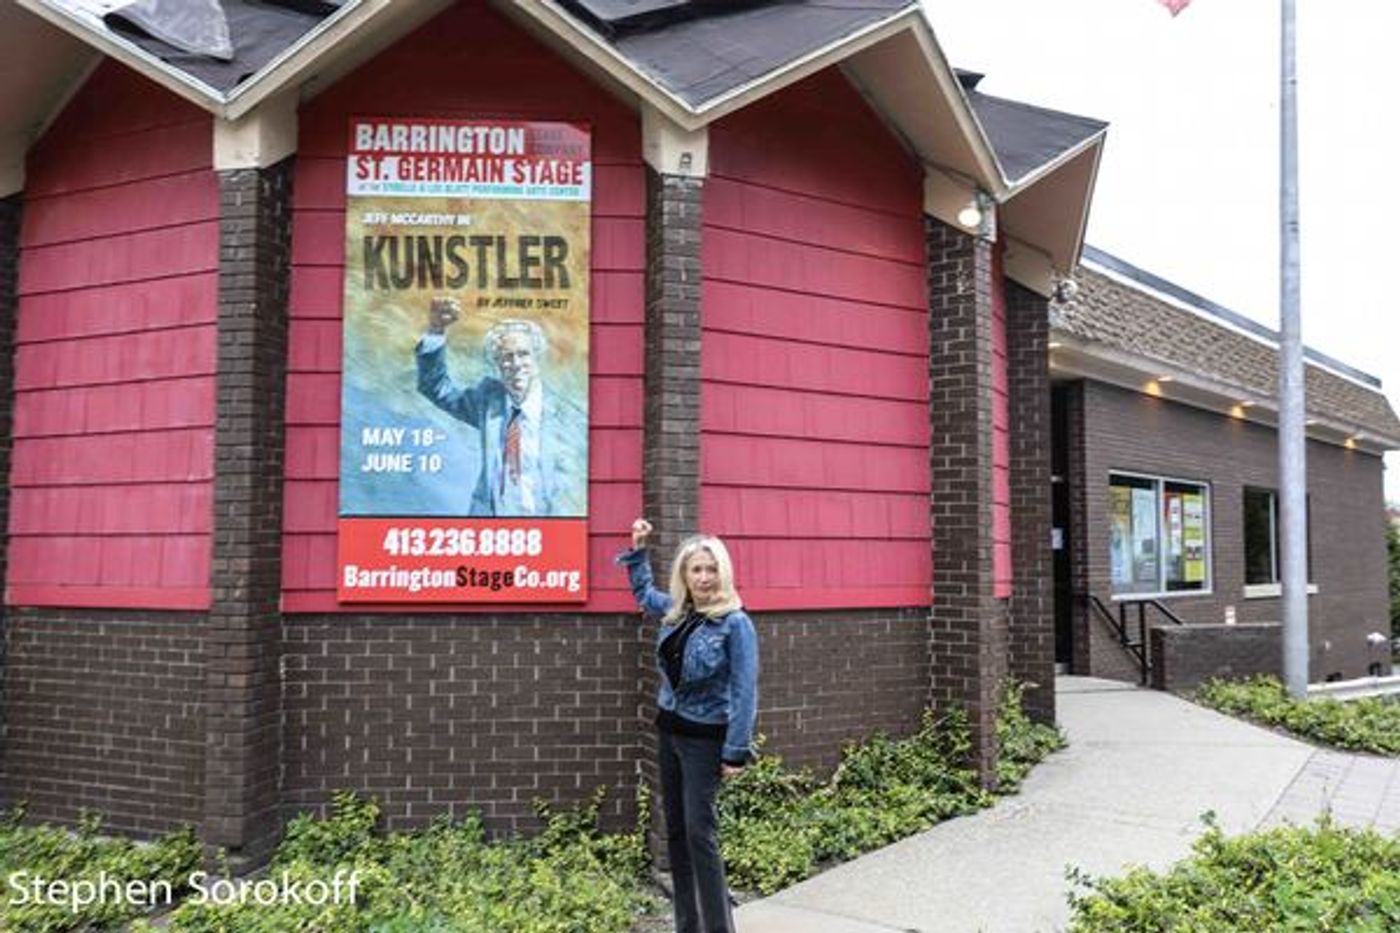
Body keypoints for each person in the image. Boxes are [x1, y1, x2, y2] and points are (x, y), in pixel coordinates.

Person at [617, 518, 758, 933]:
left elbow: (745, 690)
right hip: (670, 734)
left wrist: (736, 751)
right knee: (676, 832)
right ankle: (688, 926)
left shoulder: (735, 624)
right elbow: (644, 593)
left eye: (711, 569)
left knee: (701, 836)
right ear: (685, 574)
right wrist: (639, 550)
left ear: (723, 573)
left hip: (704, 742)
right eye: (695, 569)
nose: (704, 577)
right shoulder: (678, 613)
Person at [415, 297, 585, 516]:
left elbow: (573, 490)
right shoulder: (488, 403)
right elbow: (436, 387)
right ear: (496, 364)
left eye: (523, 354)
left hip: (549, 530)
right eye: (506, 357)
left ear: (537, 357)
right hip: (492, 530)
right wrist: (436, 330)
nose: (515, 364)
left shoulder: (567, 417)